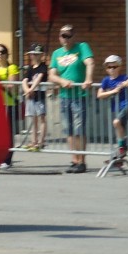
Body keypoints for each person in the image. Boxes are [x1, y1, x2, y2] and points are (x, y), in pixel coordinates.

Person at [48, 24, 94, 173]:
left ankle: (82, 161)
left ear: (73, 36)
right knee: (68, 130)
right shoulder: (56, 53)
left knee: (79, 129)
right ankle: (74, 160)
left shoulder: (82, 47)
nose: (65, 39)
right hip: (64, 96)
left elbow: (90, 62)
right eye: (63, 36)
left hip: (78, 95)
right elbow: (52, 74)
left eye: (68, 36)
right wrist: (62, 81)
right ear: (59, 37)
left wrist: (88, 79)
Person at [95, 54, 128, 155]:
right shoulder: (106, 80)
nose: (112, 69)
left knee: (116, 122)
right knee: (119, 129)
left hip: (127, 105)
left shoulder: (124, 77)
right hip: (116, 108)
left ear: (119, 67)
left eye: (114, 67)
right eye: (109, 67)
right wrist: (114, 91)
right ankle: (121, 153)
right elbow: (99, 94)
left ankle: (122, 146)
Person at [0, 44, 19, 170]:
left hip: (9, 103)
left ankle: (7, 159)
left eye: (2, 52)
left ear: (7, 54)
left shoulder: (12, 67)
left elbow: (11, 85)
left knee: (8, 133)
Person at [20, 43, 48, 151]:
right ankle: (33, 141)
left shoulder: (43, 66)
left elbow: (39, 78)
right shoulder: (30, 68)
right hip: (31, 97)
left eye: (37, 54)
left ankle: (41, 142)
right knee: (33, 119)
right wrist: (27, 90)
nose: (34, 56)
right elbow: (24, 80)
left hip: (39, 96)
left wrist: (31, 89)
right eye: (33, 54)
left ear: (41, 55)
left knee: (42, 118)